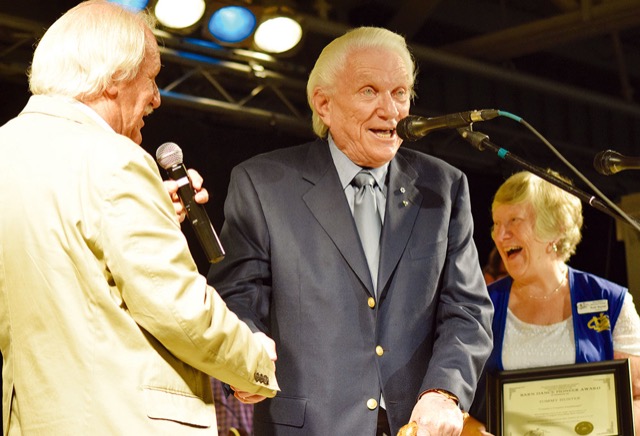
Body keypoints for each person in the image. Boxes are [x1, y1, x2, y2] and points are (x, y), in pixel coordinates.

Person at [0, 1, 279, 434]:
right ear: (115, 79)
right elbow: (178, 310)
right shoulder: (116, 161)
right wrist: (255, 361)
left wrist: (154, 211)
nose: (156, 97)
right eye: (151, 78)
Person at [207, 26, 494, 435]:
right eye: (369, 91)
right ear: (323, 105)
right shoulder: (263, 185)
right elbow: (237, 296)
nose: (391, 110)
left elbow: (468, 310)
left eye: (400, 93)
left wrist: (444, 391)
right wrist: (245, 356)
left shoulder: (443, 189)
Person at [464, 170, 640, 435]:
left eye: (513, 221)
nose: (500, 236)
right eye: (496, 224)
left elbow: (637, 397)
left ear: (555, 229)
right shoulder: (480, 306)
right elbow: (450, 397)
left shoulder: (610, 301)